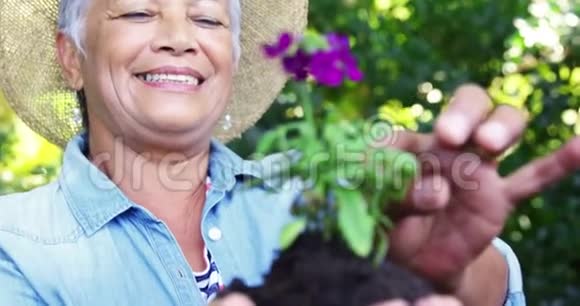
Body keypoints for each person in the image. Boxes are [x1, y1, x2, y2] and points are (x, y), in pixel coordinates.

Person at [0, 0, 578, 305]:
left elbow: (480, 290)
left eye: (207, 17)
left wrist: (446, 268)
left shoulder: (315, 190)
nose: (180, 37)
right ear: (70, 56)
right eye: (137, 12)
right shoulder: (14, 245)